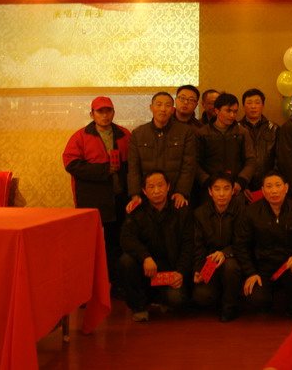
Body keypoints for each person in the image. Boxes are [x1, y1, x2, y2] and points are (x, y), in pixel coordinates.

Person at [62, 96, 131, 294]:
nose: (105, 115)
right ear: (92, 114)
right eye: (100, 111)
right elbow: (71, 164)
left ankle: (115, 285)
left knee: (116, 244)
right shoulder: (80, 136)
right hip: (92, 199)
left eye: (108, 111)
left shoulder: (124, 134)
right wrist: (103, 170)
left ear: (113, 113)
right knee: (88, 246)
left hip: (118, 199)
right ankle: (86, 289)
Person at [234, 171, 292, 318]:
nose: (274, 191)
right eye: (269, 186)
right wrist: (250, 272)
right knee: (257, 300)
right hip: (262, 267)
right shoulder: (251, 212)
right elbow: (241, 245)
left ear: (286, 188)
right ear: (263, 190)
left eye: (278, 185)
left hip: (289, 265)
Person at [119, 170, 193, 322]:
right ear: (144, 191)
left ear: (168, 187)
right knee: (126, 261)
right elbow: (126, 238)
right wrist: (145, 257)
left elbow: (189, 245)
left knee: (177, 299)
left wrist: (180, 271)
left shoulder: (181, 209)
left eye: (160, 185)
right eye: (151, 187)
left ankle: (162, 299)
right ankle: (139, 306)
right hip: (145, 267)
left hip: (170, 267)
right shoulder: (136, 210)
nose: (157, 191)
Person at [127, 92, 196, 209]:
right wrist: (135, 194)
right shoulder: (138, 133)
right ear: (151, 107)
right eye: (159, 105)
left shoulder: (185, 132)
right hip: (147, 195)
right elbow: (133, 167)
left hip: (175, 195)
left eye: (167, 105)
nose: (163, 109)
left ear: (173, 110)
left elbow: (189, 166)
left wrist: (181, 191)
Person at [192, 172, 245, 322]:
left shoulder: (242, 210)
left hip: (234, 258)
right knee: (201, 297)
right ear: (210, 191)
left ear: (232, 190)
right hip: (210, 262)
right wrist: (198, 269)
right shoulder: (200, 213)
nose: (221, 194)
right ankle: (221, 295)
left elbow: (243, 241)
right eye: (217, 189)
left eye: (226, 188)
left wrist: (225, 253)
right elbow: (198, 245)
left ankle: (230, 306)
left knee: (230, 266)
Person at [194, 93, 256, 206]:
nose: (232, 115)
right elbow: (195, 163)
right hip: (209, 189)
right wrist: (208, 182)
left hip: (236, 188)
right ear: (217, 110)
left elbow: (250, 160)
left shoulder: (242, 132)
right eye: (228, 111)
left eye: (235, 111)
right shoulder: (202, 133)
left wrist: (241, 181)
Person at [240, 88, 279, 197]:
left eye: (257, 103)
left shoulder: (274, 128)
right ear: (243, 106)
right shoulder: (236, 129)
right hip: (243, 185)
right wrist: (242, 184)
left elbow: (279, 159)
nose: (253, 106)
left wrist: (271, 183)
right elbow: (233, 160)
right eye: (249, 103)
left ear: (263, 105)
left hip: (269, 185)